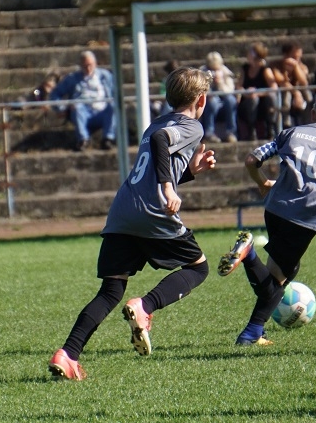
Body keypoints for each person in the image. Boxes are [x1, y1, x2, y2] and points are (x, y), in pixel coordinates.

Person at [49, 68, 217, 380]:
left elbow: (154, 159)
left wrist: (190, 172)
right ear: (201, 100)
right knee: (199, 268)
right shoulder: (191, 126)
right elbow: (162, 143)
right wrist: (168, 188)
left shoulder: (155, 123)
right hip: (152, 211)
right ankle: (145, 306)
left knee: (111, 290)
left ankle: (68, 354)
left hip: (123, 210)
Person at [219, 85, 316, 346]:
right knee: (276, 280)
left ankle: (255, 330)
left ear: (313, 114)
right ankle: (249, 260)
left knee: (286, 271)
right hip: (306, 214)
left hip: (275, 208)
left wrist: (263, 183)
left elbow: (252, 160)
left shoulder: (291, 132)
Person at [50, 50, 118, 151]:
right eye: (85, 66)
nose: (88, 68)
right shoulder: (72, 78)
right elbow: (55, 94)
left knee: (113, 107)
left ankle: (108, 139)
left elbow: (116, 93)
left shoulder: (106, 76)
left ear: (95, 64)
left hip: (102, 111)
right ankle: (83, 140)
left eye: (90, 65)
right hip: (83, 112)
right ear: (81, 65)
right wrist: (62, 108)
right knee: (77, 106)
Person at [237, 42, 278, 141]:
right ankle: (251, 131)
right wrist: (247, 93)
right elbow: (238, 86)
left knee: (270, 98)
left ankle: (270, 129)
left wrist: (257, 93)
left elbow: (274, 87)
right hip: (247, 103)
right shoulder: (245, 68)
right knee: (252, 100)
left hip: (262, 105)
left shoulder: (265, 70)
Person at [270, 41, 311, 128]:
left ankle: (309, 122)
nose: (297, 60)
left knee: (308, 93)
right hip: (285, 94)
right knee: (287, 94)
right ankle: (286, 124)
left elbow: (304, 82)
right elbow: (281, 81)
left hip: (300, 95)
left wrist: (296, 66)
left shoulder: (302, 67)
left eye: (299, 58)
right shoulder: (276, 66)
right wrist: (296, 93)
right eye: (294, 57)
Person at [200, 51, 238, 143]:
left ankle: (231, 133)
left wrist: (220, 83)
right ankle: (209, 133)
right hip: (211, 100)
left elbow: (230, 90)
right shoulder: (202, 71)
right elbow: (201, 89)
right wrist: (210, 84)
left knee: (231, 100)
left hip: (224, 99)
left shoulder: (225, 71)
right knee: (212, 102)